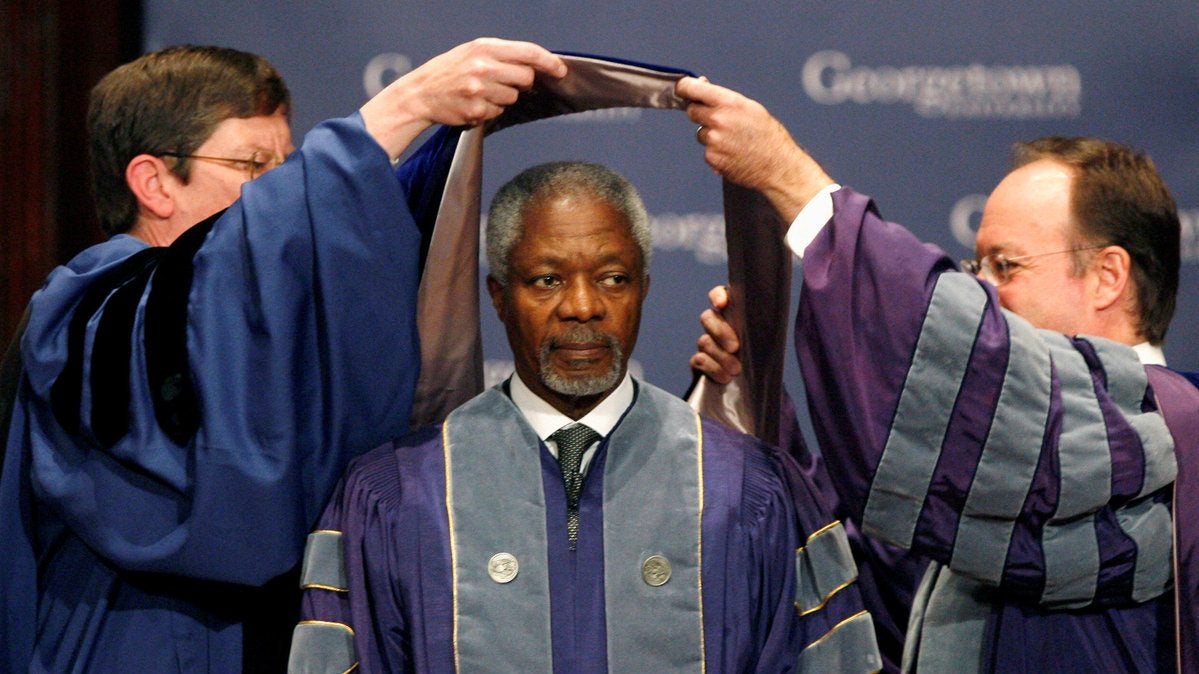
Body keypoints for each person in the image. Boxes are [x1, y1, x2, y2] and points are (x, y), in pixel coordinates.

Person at [0, 39, 567, 672]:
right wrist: (400, 109)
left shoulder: (265, 329)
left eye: (286, 165)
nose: (282, 194)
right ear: (153, 182)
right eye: (252, 165)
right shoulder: (92, 310)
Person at [679, 74, 1199, 673]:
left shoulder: (1163, 431)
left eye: (1007, 265)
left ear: (1108, 276)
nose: (982, 288)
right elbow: (874, 588)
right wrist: (761, 405)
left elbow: (979, 374)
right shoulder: (1004, 482)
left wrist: (792, 181)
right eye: (979, 264)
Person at [289, 161, 883, 673]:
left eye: (612, 279)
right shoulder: (396, 495)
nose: (583, 307)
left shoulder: (749, 490)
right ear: (498, 296)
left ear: (644, 288)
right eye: (547, 280)